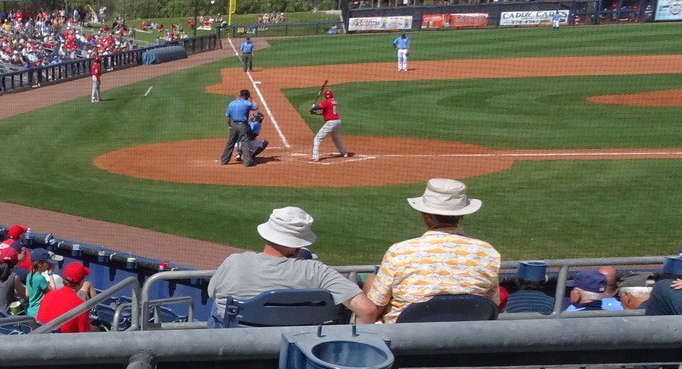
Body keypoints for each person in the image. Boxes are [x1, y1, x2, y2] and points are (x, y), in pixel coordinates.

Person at [363, 178, 500, 323]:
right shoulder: (487, 252)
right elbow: (492, 304)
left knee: (371, 282)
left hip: (404, 338)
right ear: (462, 215)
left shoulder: (399, 251)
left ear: (425, 215)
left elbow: (375, 308)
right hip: (465, 335)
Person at [207, 207, 378, 321]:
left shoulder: (234, 262)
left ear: (267, 235)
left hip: (238, 349)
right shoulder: (317, 271)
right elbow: (367, 310)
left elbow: (211, 293)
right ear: (298, 245)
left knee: (218, 307)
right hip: (296, 349)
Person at [36, 262, 93, 332]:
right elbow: (85, 337)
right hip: (64, 341)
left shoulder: (48, 295)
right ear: (81, 282)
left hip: (40, 339)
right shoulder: (81, 307)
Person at [308, 89, 349, 162]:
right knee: (335, 138)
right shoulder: (334, 102)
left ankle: (315, 157)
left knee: (317, 139)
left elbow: (318, 107)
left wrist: (312, 108)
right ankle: (344, 153)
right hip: (337, 122)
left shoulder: (327, 102)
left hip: (331, 123)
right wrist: (314, 113)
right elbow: (325, 113)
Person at [221, 88, 256, 167]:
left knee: (230, 143)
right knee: (245, 143)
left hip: (234, 125)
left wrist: (229, 126)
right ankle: (247, 162)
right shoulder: (247, 103)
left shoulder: (231, 103)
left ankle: (224, 160)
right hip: (243, 125)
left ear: (239, 95)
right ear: (247, 96)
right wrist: (252, 98)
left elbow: (227, 116)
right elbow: (255, 107)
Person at [24, 248, 54, 316]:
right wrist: (50, 274)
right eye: (47, 263)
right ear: (40, 264)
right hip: (38, 313)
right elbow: (53, 292)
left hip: (30, 312)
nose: (49, 265)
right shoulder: (40, 278)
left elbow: (27, 295)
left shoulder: (29, 275)